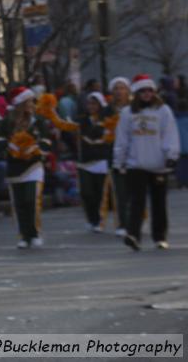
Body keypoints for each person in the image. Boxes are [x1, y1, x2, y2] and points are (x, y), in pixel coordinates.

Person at [113, 75, 179, 251]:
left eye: (150, 90)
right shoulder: (128, 113)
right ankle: (133, 234)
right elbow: (122, 139)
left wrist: (172, 155)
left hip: (159, 164)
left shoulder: (163, 110)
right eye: (143, 91)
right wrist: (119, 162)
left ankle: (159, 237)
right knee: (136, 202)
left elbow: (169, 134)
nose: (147, 94)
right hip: (136, 164)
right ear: (136, 92)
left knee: (159, 203)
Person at [0, 87, 53, 249]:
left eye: (31, 101)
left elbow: (47, 141)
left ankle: (35, 233)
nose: (30, 105)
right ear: (19, 103)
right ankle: (23, 234)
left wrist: (35, 149)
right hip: (14, 166)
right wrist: (11, 147)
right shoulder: (7, 121)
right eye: (27, 102)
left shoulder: (38, 120)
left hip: (34, 165)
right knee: (19, 202)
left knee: (31, 199)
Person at [101, 76, 132, 236]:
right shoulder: (107, 111)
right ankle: (122, 223)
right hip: (114, 153)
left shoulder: (135, 108)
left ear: (128, 91)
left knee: (134, 191)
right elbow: (101, 131)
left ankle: (135, 221)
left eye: (122, 88)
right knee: (119, 191)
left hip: (134, 154)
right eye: (116, 88)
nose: (119, 92)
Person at [76, 91, 111, 233]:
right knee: (86, 192)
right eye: (89, 103)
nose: (91, 106)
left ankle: (98, 220)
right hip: (85, 160)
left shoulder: (106, 120)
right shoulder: (82, 120)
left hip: (101, 160)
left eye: (94, 103)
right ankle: (91, 218)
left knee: (99, 192)